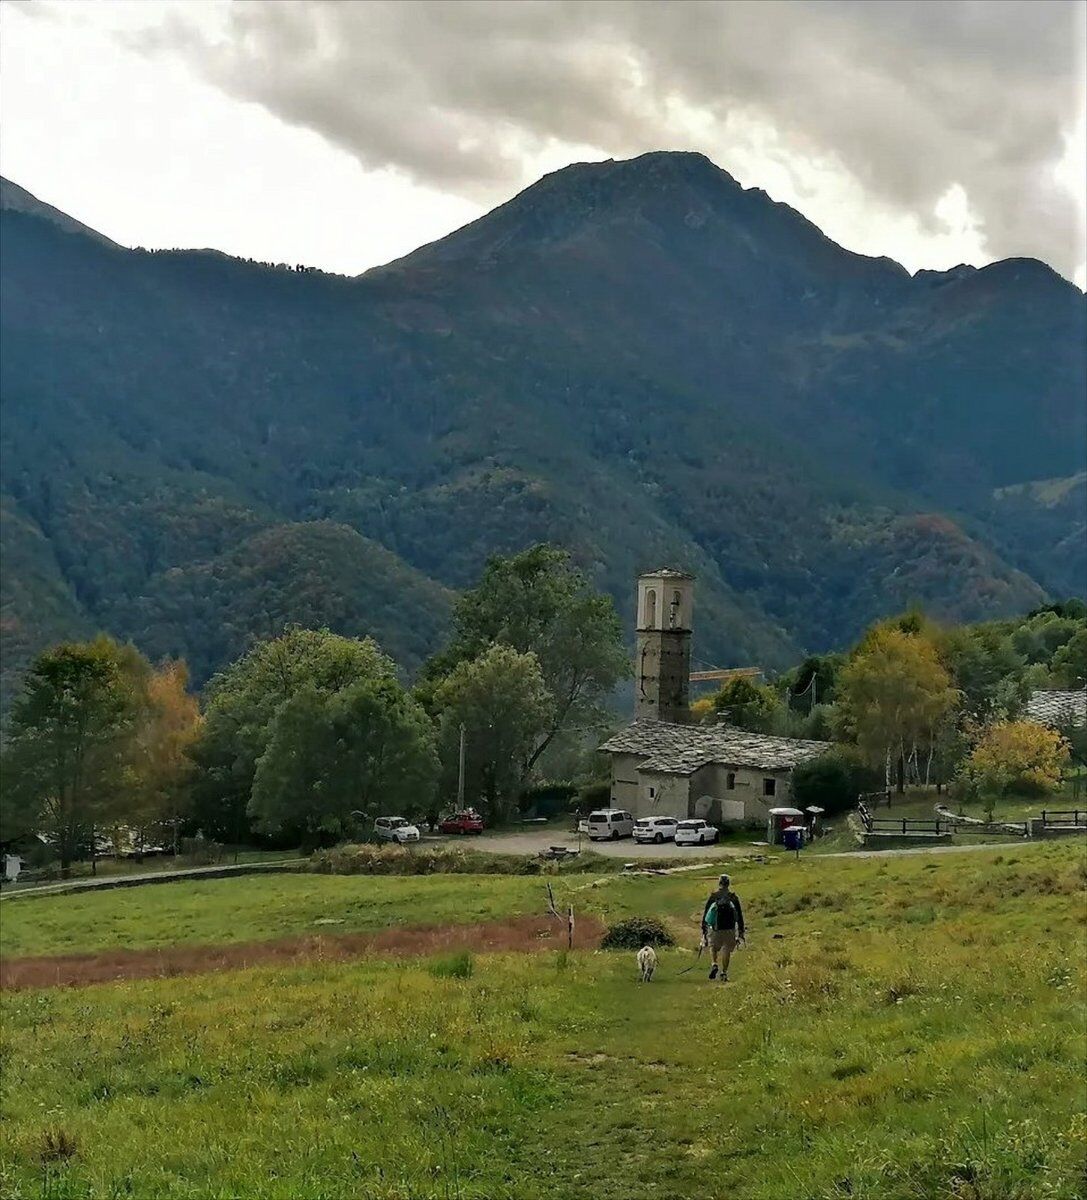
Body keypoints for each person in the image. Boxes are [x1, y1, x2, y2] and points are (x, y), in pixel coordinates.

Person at [702, 873, 745, 981]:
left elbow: (706, 913)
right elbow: (739, 915)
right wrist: (741, 930)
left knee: (713, 947)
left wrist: (704, 929)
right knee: (726, 950)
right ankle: (724, 973)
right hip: (729, 928)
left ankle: (714, 964)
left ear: (719, 883)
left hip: (715, 928)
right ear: (728, 884)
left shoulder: (714, 896)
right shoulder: (733, 897)